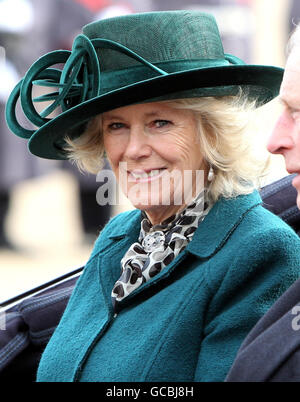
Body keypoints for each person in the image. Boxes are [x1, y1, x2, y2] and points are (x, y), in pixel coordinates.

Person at [5, 10, 300, 382]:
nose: (134, 149)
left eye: (159, 122)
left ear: (212, 133)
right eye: (116, 126)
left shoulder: (261, 252)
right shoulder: (118, 237)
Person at [226, 23, 300, 382]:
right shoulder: (118, 239)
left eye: (299, 113)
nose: (275, 141)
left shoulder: (261, 243)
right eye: (115, 125)